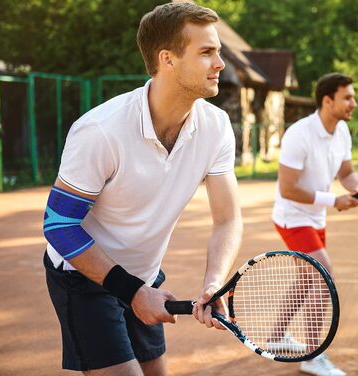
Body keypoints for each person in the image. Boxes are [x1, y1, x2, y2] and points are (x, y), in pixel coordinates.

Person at [43, 3, 243, 376]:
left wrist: (214, 285)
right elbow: (58, 226)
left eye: (218, 52)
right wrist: (131, 291)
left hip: (146, 274)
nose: (220, 64)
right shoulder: (102, 131)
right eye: (206, 52)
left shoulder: (216, 126)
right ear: (167, 59)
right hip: (83, 275)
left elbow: (227, 218)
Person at [271, 72, 358, 376]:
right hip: (293, 218)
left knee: (307, 279)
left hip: (314, 217)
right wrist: (334, 201)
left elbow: (346, 173)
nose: (353, 103)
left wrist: (356, 188)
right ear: (327, 100)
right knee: (323, 275)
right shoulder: (300, 134)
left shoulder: (342, 131)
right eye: (347, 97)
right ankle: (313, 356)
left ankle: (277, 336)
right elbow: (288, 188)